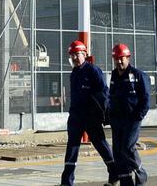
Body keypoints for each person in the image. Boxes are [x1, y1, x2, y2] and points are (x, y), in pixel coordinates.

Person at [61, 39, 115, 186]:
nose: (74, 58)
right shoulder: (74, 73)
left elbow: (104, 93)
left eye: (77, 54)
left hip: (92, 116)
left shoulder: (93, 71)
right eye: (72, 55)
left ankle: (114, 172)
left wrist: (105, 113)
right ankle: (67, 181)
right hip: (76, 117)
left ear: (84, 54)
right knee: (72, 147)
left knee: (100, 144)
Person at [108, 43, 150, 185]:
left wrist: (138, 116)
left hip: (132, 119)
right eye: (116, 58)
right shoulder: (114, 75)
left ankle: (141, 172)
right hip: (117, 120)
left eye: (122, 58)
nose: (119, 61)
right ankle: (126, 181)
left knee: (127, 147)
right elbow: (111, 96)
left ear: (128, 58)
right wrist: (109, 115)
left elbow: (145, 98)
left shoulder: (138, 75)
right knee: (118, 152)